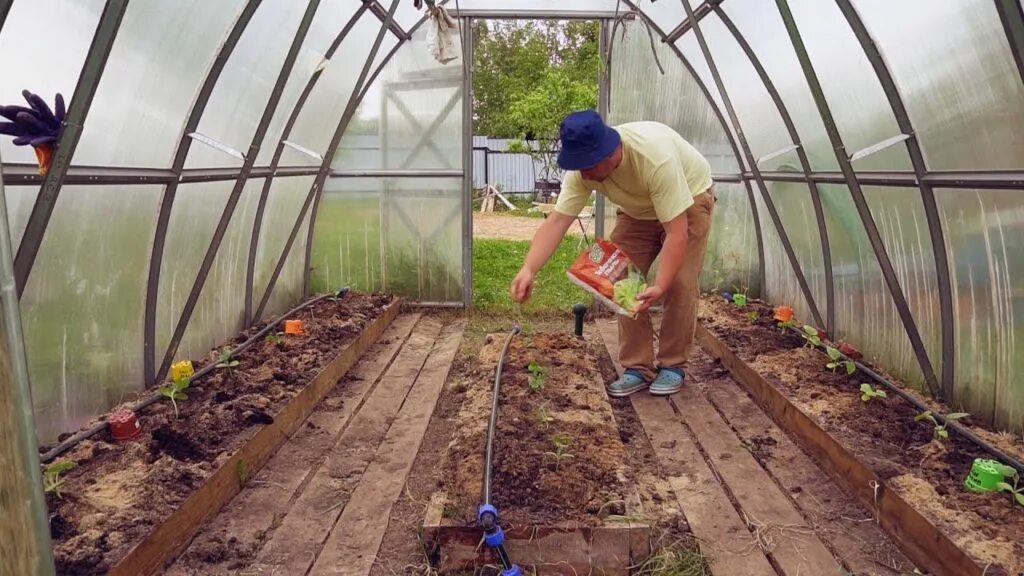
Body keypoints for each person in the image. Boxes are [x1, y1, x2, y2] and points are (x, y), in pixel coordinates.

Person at [509, 110, 715, 397]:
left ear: (609, 152)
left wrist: (660, 285)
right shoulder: (583, 172)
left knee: (680, 282)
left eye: (587, 165)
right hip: (637, 211)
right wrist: (528, 269)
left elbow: (676, 233)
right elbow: (557, 221)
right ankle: (637, 367)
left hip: (689, 200)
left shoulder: (654, 160)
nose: (584, 174)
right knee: (619, 278)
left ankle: (672, 364)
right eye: (577, 165)